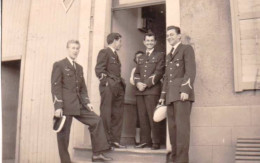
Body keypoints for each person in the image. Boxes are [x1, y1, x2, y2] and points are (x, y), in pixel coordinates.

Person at [51, 40, 112, 163]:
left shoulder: (79, 67)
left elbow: (82, 87)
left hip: (79, 105)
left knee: (96, 121)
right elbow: (55, 87)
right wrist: (58, 106)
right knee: (63, 137)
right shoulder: (59, 64)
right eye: (73, 48)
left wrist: (87, 102)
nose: (75, 51)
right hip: (65, 106)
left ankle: (97, 154)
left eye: (77, 48)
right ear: (67, 49)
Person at [159, 26, 196, 163]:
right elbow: (167, 79)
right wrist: (162, 98)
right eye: (167, 36)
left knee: (182, 132)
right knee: (173, 131)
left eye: (172, 35)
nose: (169, 37)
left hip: (181, 95)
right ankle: (174, 160)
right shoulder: (169, 55)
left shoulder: (186, 49)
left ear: (179, 36)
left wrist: (185, 90)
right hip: (170, 97)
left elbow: (190, 70)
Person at [134, 32, 165, 150]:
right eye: (147, 41)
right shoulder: (141, 57)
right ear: (144, 42)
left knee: (153, 116)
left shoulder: (160, 55)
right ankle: (145, 141)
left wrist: (145, 84)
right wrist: (137, 83)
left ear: (155, 42)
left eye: (152, 41)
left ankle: (156, 142)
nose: (149, 43)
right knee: (142, 117)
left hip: (152, 90)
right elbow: (137, 73)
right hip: (140, 91)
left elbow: (159, 72)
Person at [95, 33, 126, 148]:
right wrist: (106, 83)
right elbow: (99, 70)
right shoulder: (104, 52)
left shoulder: (115, 54)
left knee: (117, 114)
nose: (121, 44)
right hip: (109, 87)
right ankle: (105, 142)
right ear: (114, 41)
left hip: (118, 87)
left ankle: (115, 140)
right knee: (106, 114)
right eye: (120, 41)